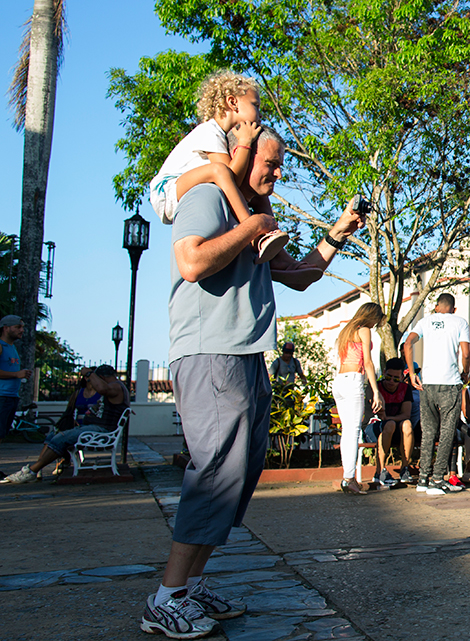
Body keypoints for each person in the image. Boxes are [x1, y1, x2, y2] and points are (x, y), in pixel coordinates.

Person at [141, 125, 366, 640]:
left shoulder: (254, 217)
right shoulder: (207, 197)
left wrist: (338, 229)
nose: (279, 173)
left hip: (244, 354)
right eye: (272, 163)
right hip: (210, 350)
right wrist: (253, 227)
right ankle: (165, 597)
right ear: (241, 156)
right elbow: (192, 260)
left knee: (236, 475)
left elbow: (302, 274)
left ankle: (189, 586)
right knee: (215, 470)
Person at [149, 70, 288, 263]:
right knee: (219, 171)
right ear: (232, 102)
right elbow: (232, 177)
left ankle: (280, 252)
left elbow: (232, 180)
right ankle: (254, 232)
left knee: (259, 196)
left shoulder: (222, 135)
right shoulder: (209, 130)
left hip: (185, 186)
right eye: (255, 105)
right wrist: (245, 143)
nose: (260, 113)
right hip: (167, 190)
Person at [3, 365, 129, 484]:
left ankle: (32, 471)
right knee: (55, 433)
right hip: (95, 427)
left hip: (101, 430)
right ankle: (36, 470)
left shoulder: (115, 386)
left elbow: (102, 389)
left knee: (62, 437)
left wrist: (89, 373)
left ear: (101, 378)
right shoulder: (116, 387)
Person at [404, 293, 470, 496]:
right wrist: (465, 373)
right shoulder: (460, 322)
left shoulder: (425, 322)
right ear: (454, 308)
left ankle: (423, 479)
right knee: (447, 432)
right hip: (449, 382)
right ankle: (437, 479)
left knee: (429, 432)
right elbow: (466, 353)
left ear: (436, 307)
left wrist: (413, 373)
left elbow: (407, 344)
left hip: (427, 382)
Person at [331, 303, 384, 495]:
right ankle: (349, 479)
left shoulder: (346, 330)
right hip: (353, 380)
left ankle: (348, 477)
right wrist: (376, 391)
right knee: (353, 431)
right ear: (372, 317)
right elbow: (368, 362)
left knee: (348, 431)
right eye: (377, 320)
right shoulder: (364, 330)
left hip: (339, 381)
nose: (376, 324)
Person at [367, 358, 415, 487]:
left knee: (407, 424)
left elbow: (406, 414)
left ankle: (405, 468)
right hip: (375, 426)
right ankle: (380, 470)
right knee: (390, 424)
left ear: (401, 377)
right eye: (388, 377)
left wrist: (390, 418)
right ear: (383, 373)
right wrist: (389, 419)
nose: (391, 382)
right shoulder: (376, 388)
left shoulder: (405, 389)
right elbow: (379, 415)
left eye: (396, 379)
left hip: (394, 426)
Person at [0, 315, 31, 478]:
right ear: (6, 328)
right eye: (18, 327)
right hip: (2, 396)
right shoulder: (1, 346)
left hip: (11, 396)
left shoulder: (12, 347)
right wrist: (15, 374)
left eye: (22, 327)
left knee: (2, 434)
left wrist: (21, 374)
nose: (22, 330)